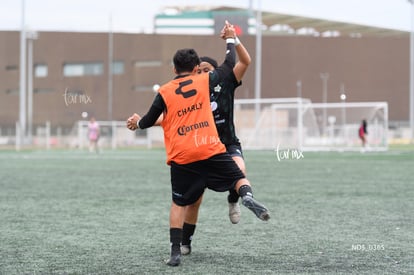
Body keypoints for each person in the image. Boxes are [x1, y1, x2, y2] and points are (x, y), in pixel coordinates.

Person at [126, 21, 269, 267]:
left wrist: (138, 123)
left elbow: (151, 120)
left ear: (173, 67)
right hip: (210, 147)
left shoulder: (166, 90)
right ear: (195, 69)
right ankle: (244, 197)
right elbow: (229, 63)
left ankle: (175, 252)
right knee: (238, 177)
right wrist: (230, 38)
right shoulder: (206, 82)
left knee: (179, 203)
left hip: (187, 153)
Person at [180, 32, 252, 256]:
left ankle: (233, 200)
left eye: (206, 70)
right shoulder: (192, 93)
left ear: (216, 72)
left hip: (227, 144)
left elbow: (245, 61)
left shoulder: (226, 81)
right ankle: (185, 242)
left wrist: (235, 40)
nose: (202, 73)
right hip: (201, 148)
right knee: (194, 201)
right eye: (198, 70)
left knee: (239, 170)